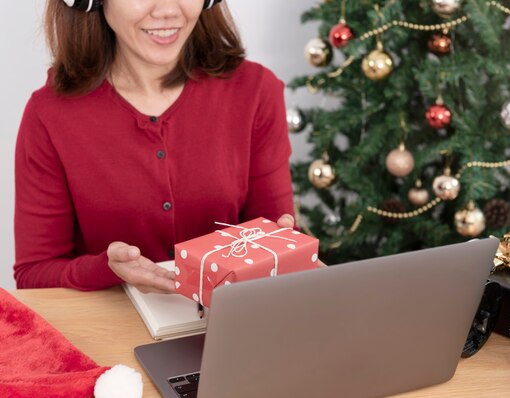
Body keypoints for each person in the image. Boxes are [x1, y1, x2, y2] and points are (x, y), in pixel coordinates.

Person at [14, 0, 300, 294]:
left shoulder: (255, 90)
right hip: (110, 333)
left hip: (229, 326)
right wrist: (106, 269)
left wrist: (286, 249)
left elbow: (275, 235)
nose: (167, 11)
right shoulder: (48, 114)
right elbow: (33, 274)